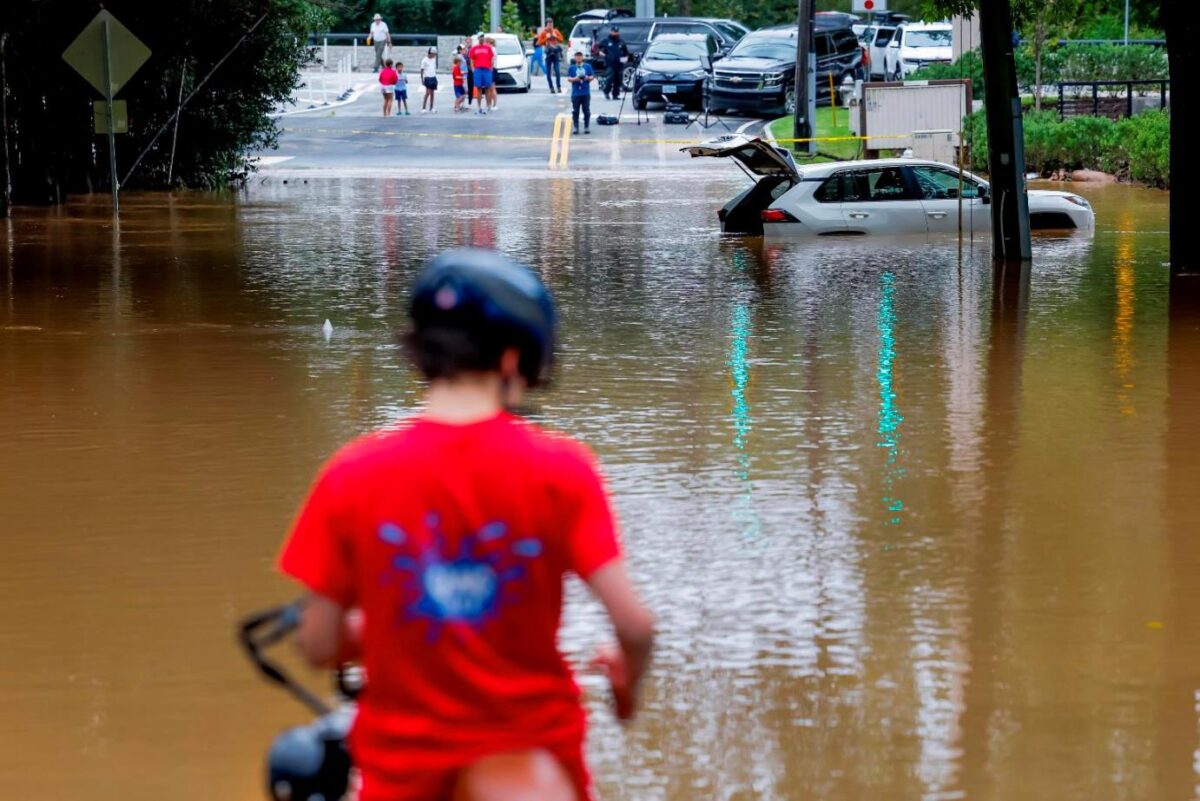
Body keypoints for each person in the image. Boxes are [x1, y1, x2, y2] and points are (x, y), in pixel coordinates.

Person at [279, 248, 655, 801]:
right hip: (535, 762)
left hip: (400, 776)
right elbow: (637, 628)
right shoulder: (563, 469)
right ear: (511, 361)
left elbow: (317, 644)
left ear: (421, 354)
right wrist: (627, 681)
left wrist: (385, 628)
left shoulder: (351, 474)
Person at [596, 26, 628, 101]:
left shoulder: (621, 42)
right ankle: (606, 92)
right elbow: (597, 48)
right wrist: (600, 53)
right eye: (614, 31)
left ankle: (615, 95)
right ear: (611, 32)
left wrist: (626, 58)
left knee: (618, 80)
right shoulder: (606, 41)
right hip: (610, 63)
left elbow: (626, 52)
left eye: (616, 32)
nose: (615, 33)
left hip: (619, 64)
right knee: (610, 78)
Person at [567, 50, 594, 135]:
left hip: (585, 92)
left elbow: (592, 76)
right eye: (577, 56)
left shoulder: (587, 66)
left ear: (582, 57)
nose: (578, 57)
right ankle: (576, 127)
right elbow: (569, 78)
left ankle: (586, 126)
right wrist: (575, 79)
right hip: (576, 93)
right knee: (575, 111)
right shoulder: (572, 67)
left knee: (586, 110)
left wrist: (588, 78)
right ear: (575, 57)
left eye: (580, 56)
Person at [469, 35, 494, 115]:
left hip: (486, 70)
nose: (481, 38)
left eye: (482, 37)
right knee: (479, 88)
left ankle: (487, 106)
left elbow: (492, 58)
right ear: (478, 38)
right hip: (478, 70)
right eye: (480, 37)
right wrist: (473, 69)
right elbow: (471, 59)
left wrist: (491, 68)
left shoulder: (488, 48)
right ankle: (479, 106)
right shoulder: (474, 48)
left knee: (487, 88)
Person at [420, 47, 438, 113]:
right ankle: (423, 108)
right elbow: (421, 70)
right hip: (427, 77)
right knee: (427, 93)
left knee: (432, 93)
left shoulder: (434, 58)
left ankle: (431, 107)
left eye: (435, 54)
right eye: (433, 54)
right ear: (430, 53)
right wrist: (422, 80)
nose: (434, 55)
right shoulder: (424, 60)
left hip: (433, 77)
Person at [485, 37, 499, 110]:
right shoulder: (491, 49)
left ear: (489, 43)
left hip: (492, 69)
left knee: (492, 87)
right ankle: (489, 104)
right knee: (489, 88)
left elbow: (492, 60)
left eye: (486, 42)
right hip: (489, 69)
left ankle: (494, 104)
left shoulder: (492, 49)